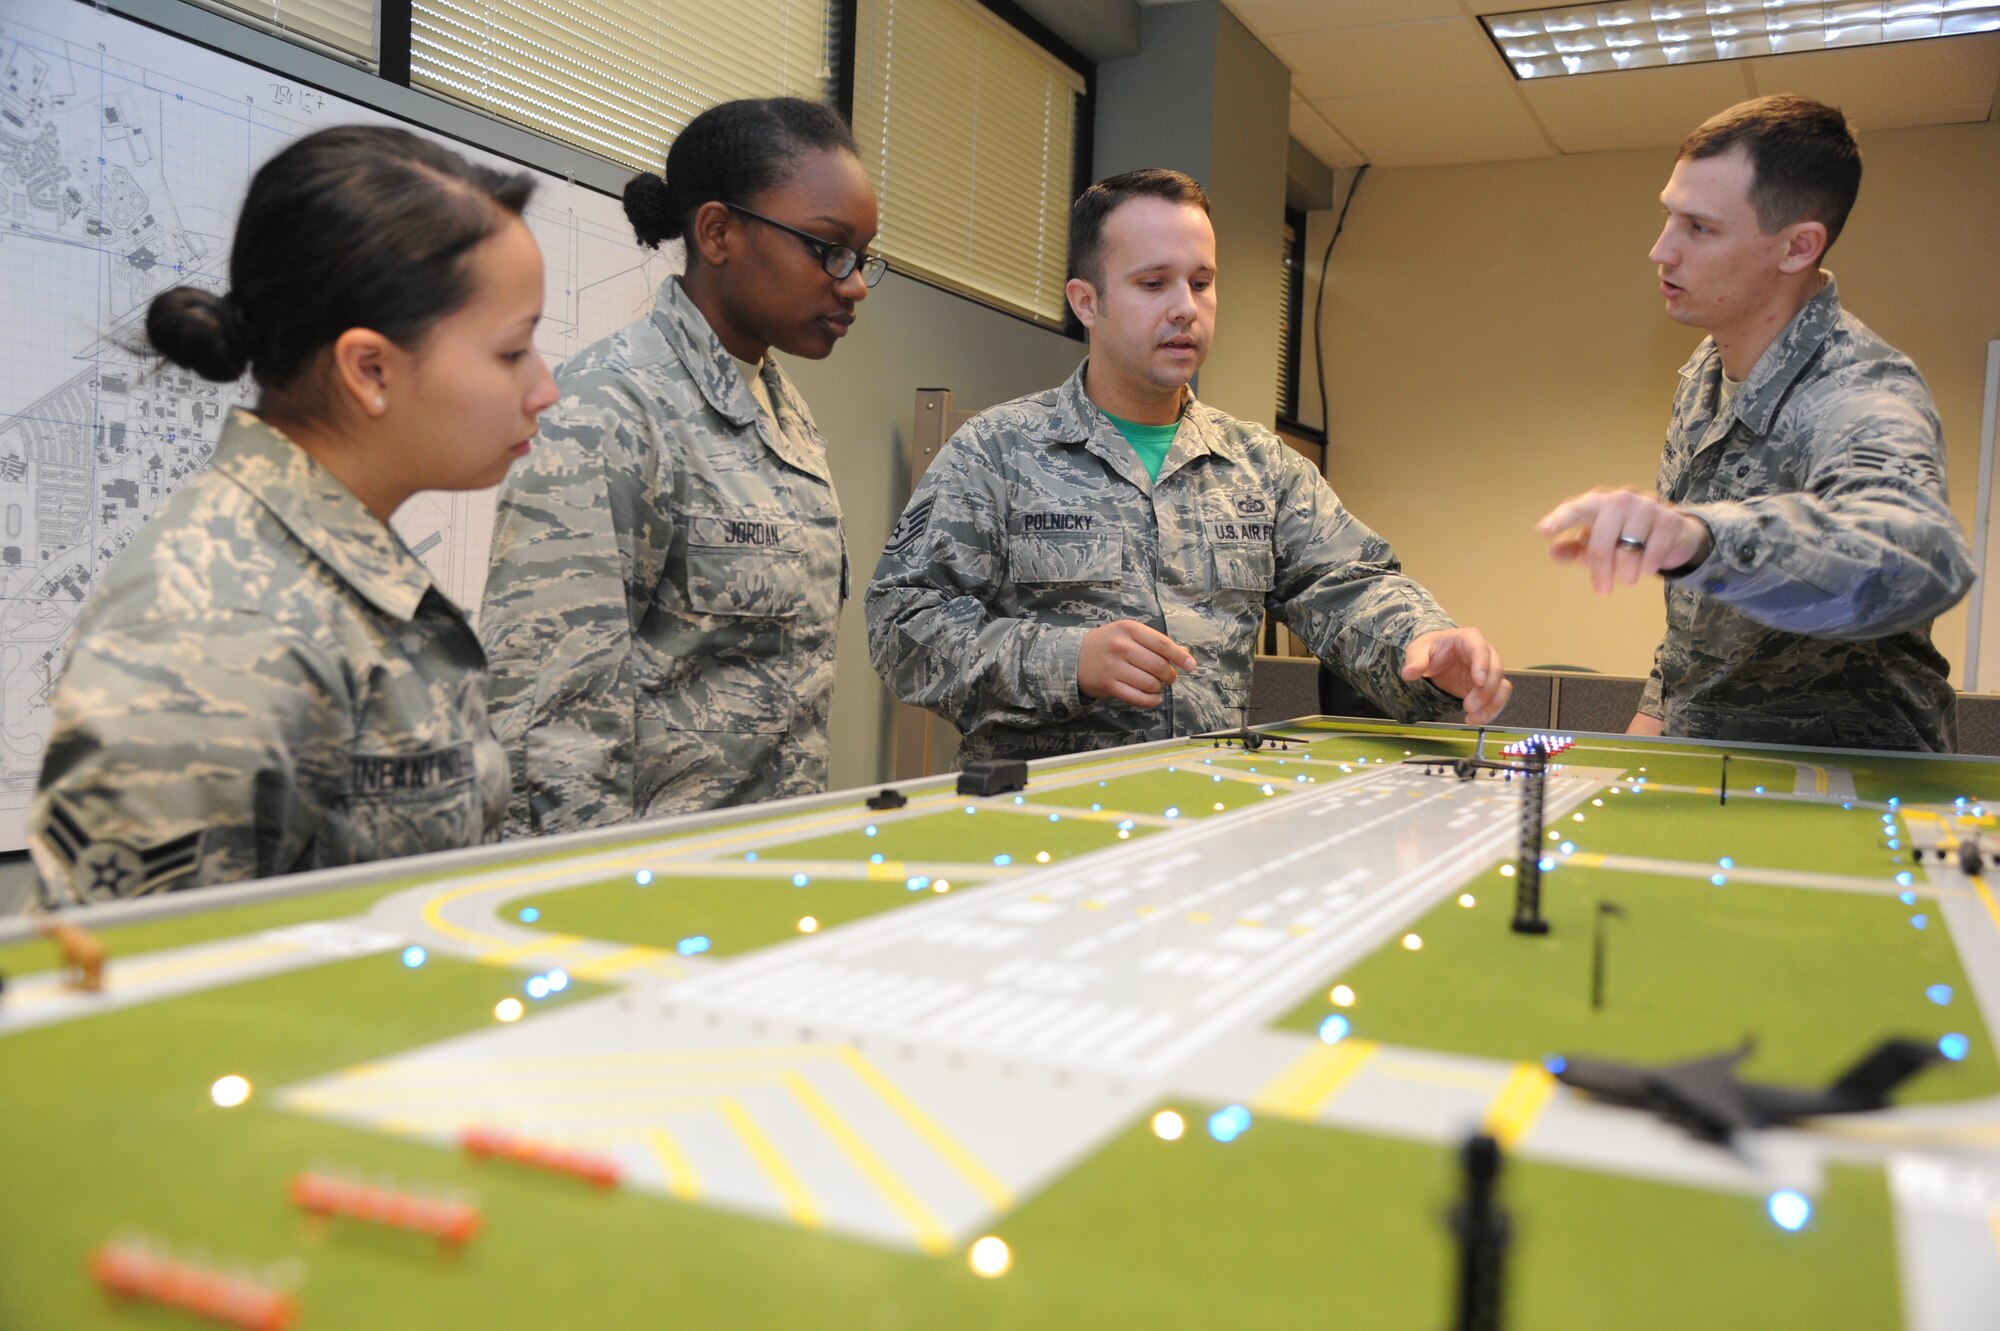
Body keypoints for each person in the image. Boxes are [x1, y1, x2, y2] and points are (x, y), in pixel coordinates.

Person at [29, 126, 557, 904]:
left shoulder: (327, 564)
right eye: (513, 352)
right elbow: (133, 992)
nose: (544, 388)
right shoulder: (219, 624)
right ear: (370, 369)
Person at [866, 169, 1510, 762]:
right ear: (1087, 302)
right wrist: (1068, 659)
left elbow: (1349, 585)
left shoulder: (1259, 466)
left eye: (1201, 283)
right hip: (1042, 821)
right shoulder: (996, 451)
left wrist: (1424, 647)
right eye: (1153, 284)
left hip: (1204, 815)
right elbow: (903, 624)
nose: (1185, 308)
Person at [482, 98, 881, 835]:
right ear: (718, 232)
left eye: (862, 257)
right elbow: (546, 728)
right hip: (639, 888)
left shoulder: (781, 408)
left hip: (755, 865)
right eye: (828, 249)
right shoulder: (610, 409)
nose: (853, 283)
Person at [1536, 96, 1972, 752]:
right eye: (1668, 218)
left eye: (1699, 228)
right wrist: (1644, 739)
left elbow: (1918, 556)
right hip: (1709, 758)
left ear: (1797, 246)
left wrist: (1700, 539)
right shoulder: (1704, 376)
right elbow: (1699, 628)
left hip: (1843, 789)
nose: (1661, 250)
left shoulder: (1860, 388)